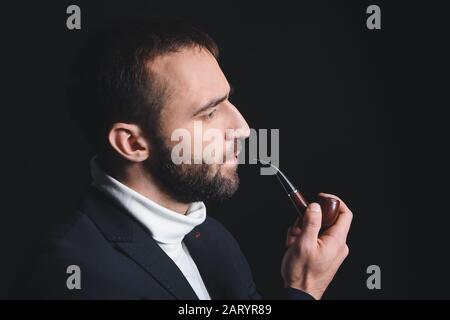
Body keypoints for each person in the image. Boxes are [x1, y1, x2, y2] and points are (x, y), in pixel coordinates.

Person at [15, 17, 352, 299]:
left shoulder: (211, 238)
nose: (243, 129)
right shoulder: (75, 275)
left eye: (227, 101)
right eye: (209, 113)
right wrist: (303, 288)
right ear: (132, 143)